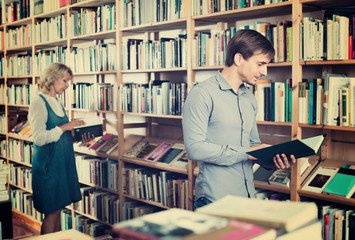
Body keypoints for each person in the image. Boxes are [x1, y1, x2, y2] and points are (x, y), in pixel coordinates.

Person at [182, 29, 296, 209]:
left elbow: (253, 146)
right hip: (214, 201)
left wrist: (271, 160)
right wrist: (249, 152)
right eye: (260, 64)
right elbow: (194, 149)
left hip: (247, 199)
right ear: (238, 59)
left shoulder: (249, 98)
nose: (265, 71)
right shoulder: (202, 94)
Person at [28, 63, 85, 234]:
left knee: (58, 210)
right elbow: (39, 138)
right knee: (51, 212)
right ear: (52, 79)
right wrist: (65, 127)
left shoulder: (57, 102)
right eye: (65, 81)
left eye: (68, 81)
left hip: (62, 164)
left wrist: (78, 135)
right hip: (48, 167)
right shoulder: (38, 102)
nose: (68, 85)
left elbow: (60, 135)